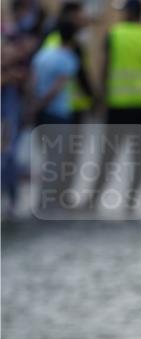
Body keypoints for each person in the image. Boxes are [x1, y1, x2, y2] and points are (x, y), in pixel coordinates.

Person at [86, 0, 141, 213]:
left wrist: (99, 98)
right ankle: (131, 201)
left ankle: (94, 199)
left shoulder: (115, 34)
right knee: (139, 156)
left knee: (108, 154)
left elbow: (104, 67)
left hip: (119, 104)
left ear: (129, 12)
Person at [27, 21, 79, 214]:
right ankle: (46, 202)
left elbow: (31, 82)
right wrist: (41, 103)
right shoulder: (68, 59)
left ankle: (43, 200)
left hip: (41, 114)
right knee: (55, 160)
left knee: (46, 158)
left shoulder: (42, 55)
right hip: (58, 113)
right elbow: (57, 87)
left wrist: (33, 105)